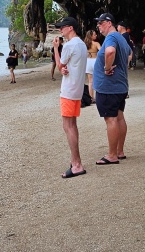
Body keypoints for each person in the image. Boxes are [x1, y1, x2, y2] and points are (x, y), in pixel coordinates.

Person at [93, 13, 130, 165]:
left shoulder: (111, 38)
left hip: (109, 87)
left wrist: (107, 68)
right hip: (120, 85)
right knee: (119, 117)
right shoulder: (122, 38)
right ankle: (119, 151)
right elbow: (130, 54)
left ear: (109, 23)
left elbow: (110, 51)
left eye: (100, 23)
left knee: (111, 119)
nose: (98, 26)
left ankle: (112, 155)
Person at [54, 16, 87, 178]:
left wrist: (55, 48)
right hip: (78, 89)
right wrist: (63, 69)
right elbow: (68, 67)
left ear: (70, 28)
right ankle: (76, 161)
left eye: (63, 27)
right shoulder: (81, 45)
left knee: (68, 126)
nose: (60, 30)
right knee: (72, 125)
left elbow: (60, 64)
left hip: (68, 90)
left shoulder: (69, 45)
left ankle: (76, 164)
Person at [84, 30, 100, 98]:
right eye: (94, 35)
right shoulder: (96, 44)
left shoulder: (85, 44)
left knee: (90, 81)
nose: (96, 35)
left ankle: (91, 97)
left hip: (88, 61)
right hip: (95, 61)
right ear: (91, 36)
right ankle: (98, 96)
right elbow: (101, 51)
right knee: (98, 80)